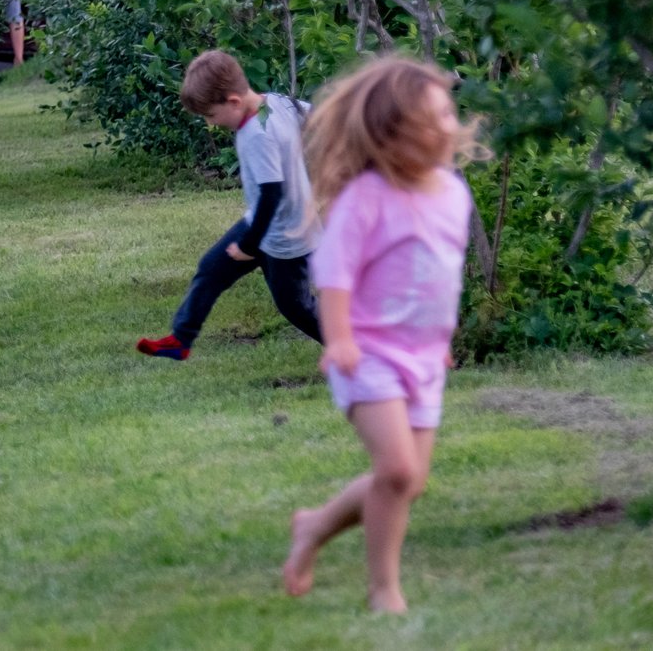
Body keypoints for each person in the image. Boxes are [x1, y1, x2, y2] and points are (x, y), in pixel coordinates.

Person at [281, 55, 474, 617]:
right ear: (391, 135)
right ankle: (383, 588)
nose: (448, 128)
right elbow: (334, 273)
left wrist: (442, 338)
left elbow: (443, 272)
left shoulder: (452, 193)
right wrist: (337, 339)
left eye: (448, 114)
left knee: (407, 482)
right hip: (367, 354)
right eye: (430, 120)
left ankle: (316, 526)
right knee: (397, 470)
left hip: (424, 357)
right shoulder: (366, 198)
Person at [136, 51, 320, 357]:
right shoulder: (276, 101)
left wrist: (248, 245)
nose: (211, 123)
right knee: (211, 269)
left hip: (287, 235)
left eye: (211, 115)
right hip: (263, 224)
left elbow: (271, 196)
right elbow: (315, 116)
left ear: (234, 101)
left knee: (296, 307)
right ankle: (181, 340)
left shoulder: (256, 135)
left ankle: (357, 352)